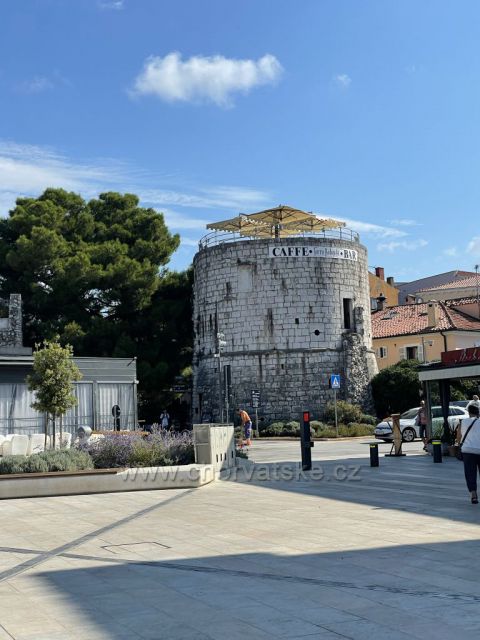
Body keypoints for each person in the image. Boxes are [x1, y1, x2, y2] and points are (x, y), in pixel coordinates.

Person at [457, 403, 480, 504]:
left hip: (467, 451)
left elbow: (458, 437)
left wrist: (459, 445)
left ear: (469, 413)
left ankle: (473, 495)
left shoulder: (463, 422)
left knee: (470, 473)